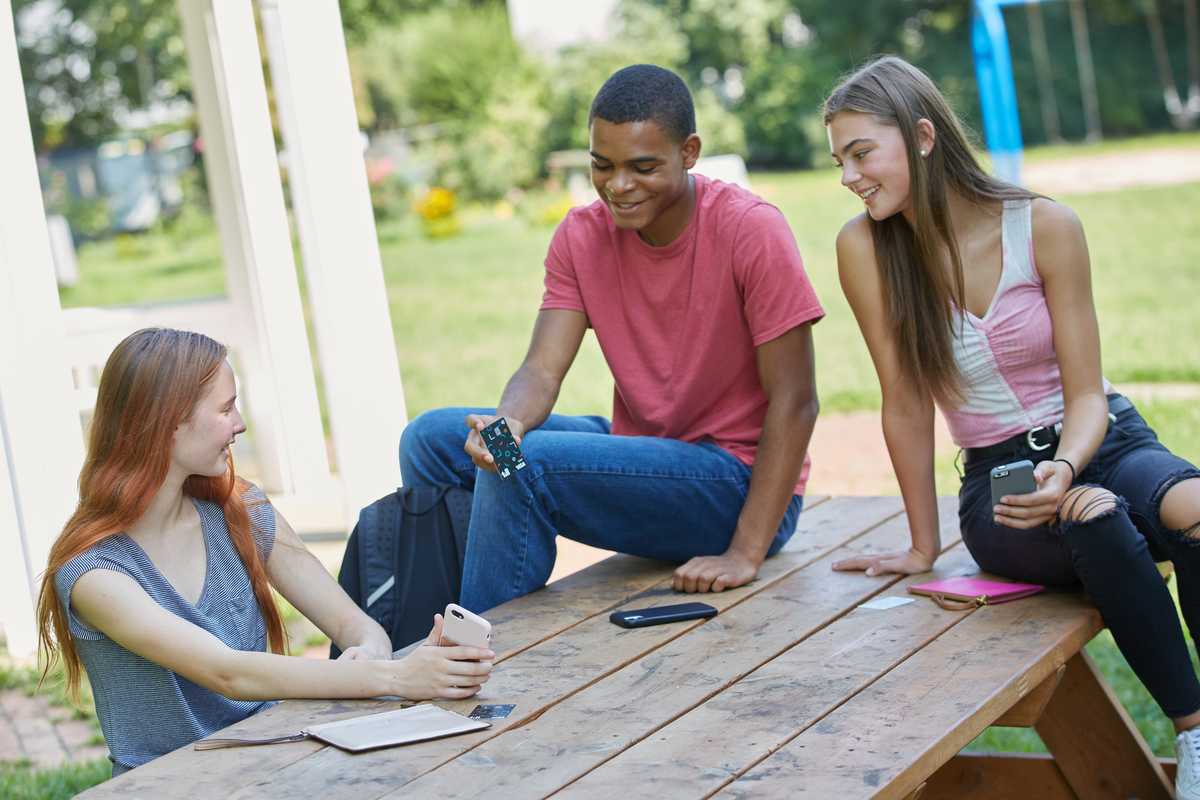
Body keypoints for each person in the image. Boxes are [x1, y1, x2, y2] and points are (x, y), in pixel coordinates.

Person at [823, 55, 1200, 796]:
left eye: (861, 152)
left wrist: (1066, 461)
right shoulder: (864, 247)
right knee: (1094, 516)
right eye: (839, 159)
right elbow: (902, 400)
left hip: (1104, 439)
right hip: (1002, 482)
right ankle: (1195, 737)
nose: (848, 176)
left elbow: (1089, 396)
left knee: (1188, 505)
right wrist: (923, 543)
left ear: (923, 136)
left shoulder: (1046, 225)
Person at [401, 64, 824, 613]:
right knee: (433, 439)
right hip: (646, 453)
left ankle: (483, 658)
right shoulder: (581, 236)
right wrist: (509, 420)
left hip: (738, 484)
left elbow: (797, 401)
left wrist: (745, 551)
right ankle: (428, 633)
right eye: (603, 165)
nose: (618, 186)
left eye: (643, 167)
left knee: (521, 463)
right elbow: (541, 370)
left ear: (689, 152)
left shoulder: (751, 229)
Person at [36, 328, 495, 776]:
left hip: (273, 762)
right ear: (169, 422)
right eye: (225, 408)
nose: (240, 424)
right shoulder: (95, 574)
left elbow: (353, 623)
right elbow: (228, 673)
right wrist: (397, 678)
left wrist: (370, 654)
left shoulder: (241, 510)